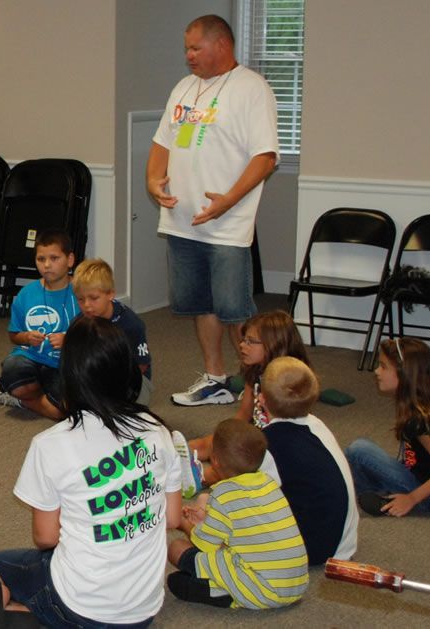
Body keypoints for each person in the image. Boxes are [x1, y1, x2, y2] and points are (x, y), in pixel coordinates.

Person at [0, 317, 181, 629]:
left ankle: (8, 617)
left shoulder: (51, 444)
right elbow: (172, 519)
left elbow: (46, 538)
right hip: (142, 612)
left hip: (77, 604)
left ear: (69, 377)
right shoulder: (158, 431)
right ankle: (28, 615)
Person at [146, 14, 280, 407]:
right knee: (200, 305)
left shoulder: (251, 89)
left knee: (235, 311)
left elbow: (265, 156)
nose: (188, 55)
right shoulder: (184, 88)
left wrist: (229, 200)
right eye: (186, 48)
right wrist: (153, 180)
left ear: (221, 44)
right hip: (182, 223)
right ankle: (216, 378)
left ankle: (259, 388)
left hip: (227, 226)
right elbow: (162, 142)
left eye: (195, 47)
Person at [167, 418, 308, 609]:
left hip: (263, 590)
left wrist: (182, 522)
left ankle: (227, 592)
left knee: (176, 549)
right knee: (223, 556)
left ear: (215, 461)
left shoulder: (223, 494)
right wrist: (205, 521)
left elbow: (204, 546)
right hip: (296, 585)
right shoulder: (269, 483)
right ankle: (226, 586)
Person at [175, 310, 310, 495]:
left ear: (273, 344)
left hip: (273, 446)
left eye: (250, 341)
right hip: (254, 435)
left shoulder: (288, 379)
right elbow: (244, 413)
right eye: (244, 339)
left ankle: (199, 478)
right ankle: (174, 455)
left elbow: (284, 432)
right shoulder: (255, 370)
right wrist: (223, 438)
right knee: (209, 442)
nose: (242, 345)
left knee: (228, 467)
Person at [257, 357, 358, 565]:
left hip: (316, 548)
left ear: (262, 399)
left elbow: (253, 495)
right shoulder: (316, 424)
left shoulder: (270, 442)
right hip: (344, 541)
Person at [345, 337, 430, 516]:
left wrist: (412, 498)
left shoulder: (419, 419)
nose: (377, 371)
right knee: (363, 450)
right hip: (416, 473)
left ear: (405, 374)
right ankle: (382, 496)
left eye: (383, 366)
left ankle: (377, 497)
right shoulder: (419, 402)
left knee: (358, 450)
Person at [0, 230, 78, 419]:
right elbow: (13, 335)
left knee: (65, 412)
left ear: (70, 259)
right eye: (41, 259)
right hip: (30, 358)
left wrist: (69, 340)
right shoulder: (27, 293)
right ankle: (36, 397)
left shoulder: (81, 292)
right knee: (12, 369)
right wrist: (26, 337)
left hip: (66, 364)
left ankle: (20, 400)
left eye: (54, 258)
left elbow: (95, 337)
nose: (47, 265)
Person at [72, 258, 152, 404]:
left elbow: (142, 365)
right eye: (80, 299)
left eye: (94, 298)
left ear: (110, 294)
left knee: (130, 409)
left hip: (131, 378)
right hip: (98, 373)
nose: (87, 305)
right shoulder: (80, 322)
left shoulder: (131, 325)